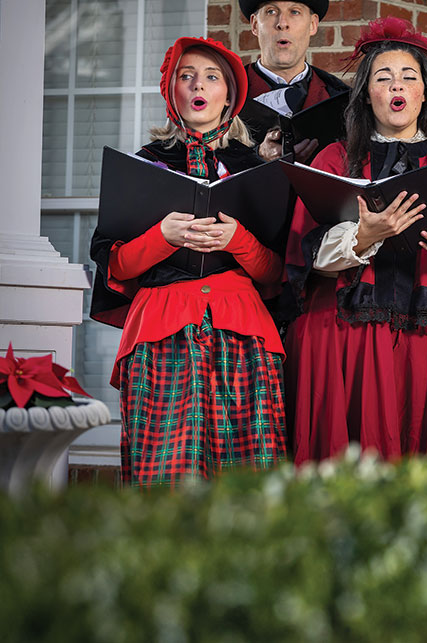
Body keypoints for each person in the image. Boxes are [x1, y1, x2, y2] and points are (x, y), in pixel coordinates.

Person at [284, 17, 427, 461]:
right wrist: (362, 236)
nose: (397, 85)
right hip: (348, 334)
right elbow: (301, 253)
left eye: (409, 76)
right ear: (367, 93)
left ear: (424, 92)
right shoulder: (335, 158)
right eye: (383, 77)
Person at [89, 36, 286, 486]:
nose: (198, 84)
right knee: (164, 481)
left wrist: (238, 240)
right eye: (187, 75)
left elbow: (277, 274)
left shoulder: (257, 170)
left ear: (229, 96)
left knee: (249, 485)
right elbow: (116, 266)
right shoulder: (142, 166)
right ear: (172, 92)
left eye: (212, 77)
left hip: (243, 331)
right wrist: (162, 236)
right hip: (161, 330)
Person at [238, 0, 351, 162]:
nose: (282, 23)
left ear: (313, 25)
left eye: (295, 12)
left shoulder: (342, 99)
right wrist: (256, 158)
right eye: (271, 11)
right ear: (254, 25)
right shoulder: (225, 95)